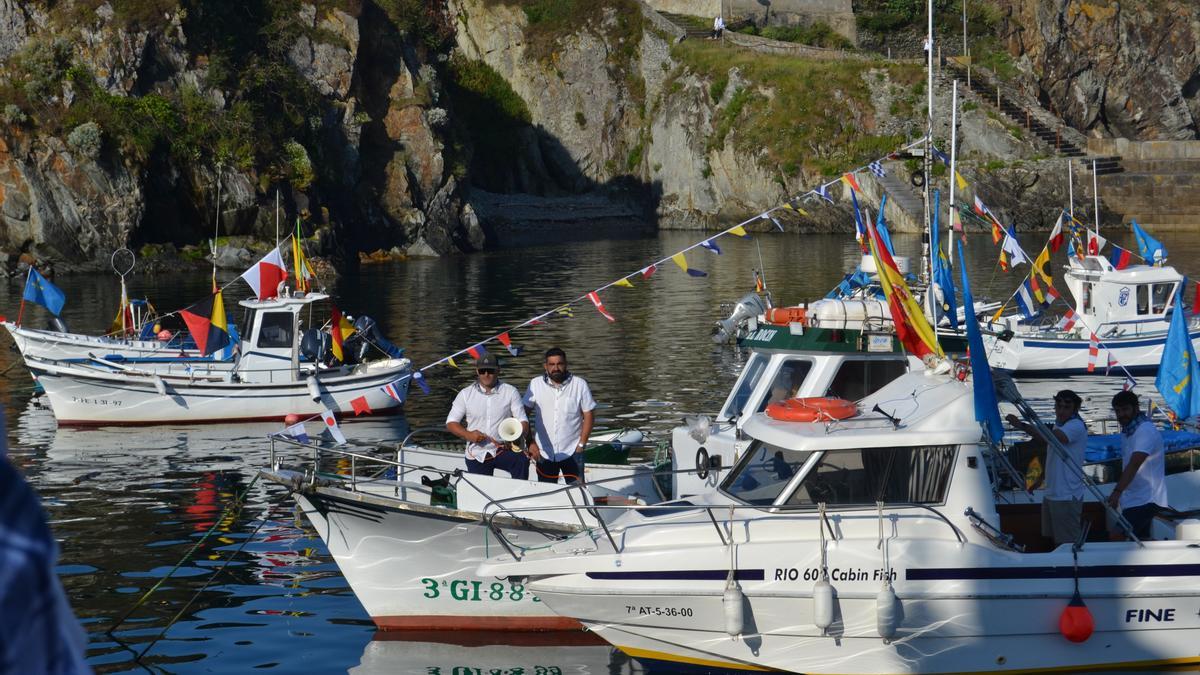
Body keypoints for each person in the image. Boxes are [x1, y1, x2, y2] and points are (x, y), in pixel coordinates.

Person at [1005, 390, 1088, 546]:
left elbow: (1051, 438)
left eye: (1066, 407)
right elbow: (1051, 451)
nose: (1061, 411)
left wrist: (1021, 425)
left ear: (1075, 409)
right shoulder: (1059, 423)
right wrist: (1040, 481)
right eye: (1059, 406)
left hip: (1066, 496)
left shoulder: (1075, 425)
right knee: (1054, 540)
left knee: (1067, 544)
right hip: (1052, 494)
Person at [446, 353, 530, 479]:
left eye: (490, 370)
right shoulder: (465, 394)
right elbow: (451, 423)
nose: (486, 374)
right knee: (481, 491)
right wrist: (469, 435)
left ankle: (519, 495)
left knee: (521, 460)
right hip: (476, 452)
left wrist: (516, 437)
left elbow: (523, 421)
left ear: (498, 370)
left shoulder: (510, 391)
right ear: (477, 371)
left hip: (503, 449)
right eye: (482, 371)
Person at [524, 347, 596, 484]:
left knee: (577, 492)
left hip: (573, 450)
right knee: (546, 495)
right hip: (544, 452)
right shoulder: (535, 384)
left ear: (566, 364)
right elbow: (522, 415)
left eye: (559, 364)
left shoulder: (579, 384)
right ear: (545, 366)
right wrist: (530, 442)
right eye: (551, 364)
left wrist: (581, 444)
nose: (556, 368)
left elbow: (589, 415)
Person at [1106, 390, 1168, 540]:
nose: (1121, 414)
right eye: (1118, 411)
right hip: (1134, 499)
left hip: (1147, 500)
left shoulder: (1144, 430)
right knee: (1140, 541)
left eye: (1125, 409)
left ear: (1136, 408)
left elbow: (1134, 464)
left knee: (1117, 536)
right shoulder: (1128, 431)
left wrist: (1117, 492)